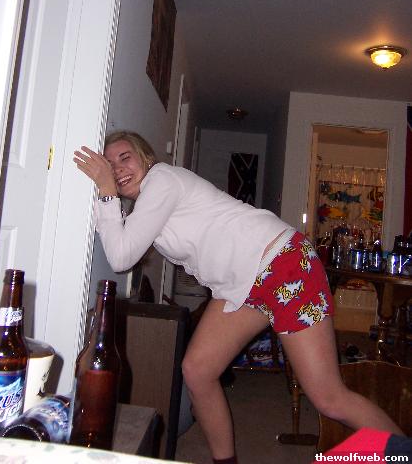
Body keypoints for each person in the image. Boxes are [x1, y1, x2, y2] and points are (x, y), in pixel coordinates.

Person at [73, 131, 402, 464]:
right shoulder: (147, 207)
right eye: (109, 164)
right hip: (244, 284)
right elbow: (119, 241)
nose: (117, 168)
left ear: (146, 158)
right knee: (198, 370)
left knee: (329, 397)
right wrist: (105, 196)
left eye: (125, 157)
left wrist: (106, 189)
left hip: (283, 264)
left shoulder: (162, 180)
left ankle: (403, 453)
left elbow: (121, 257)